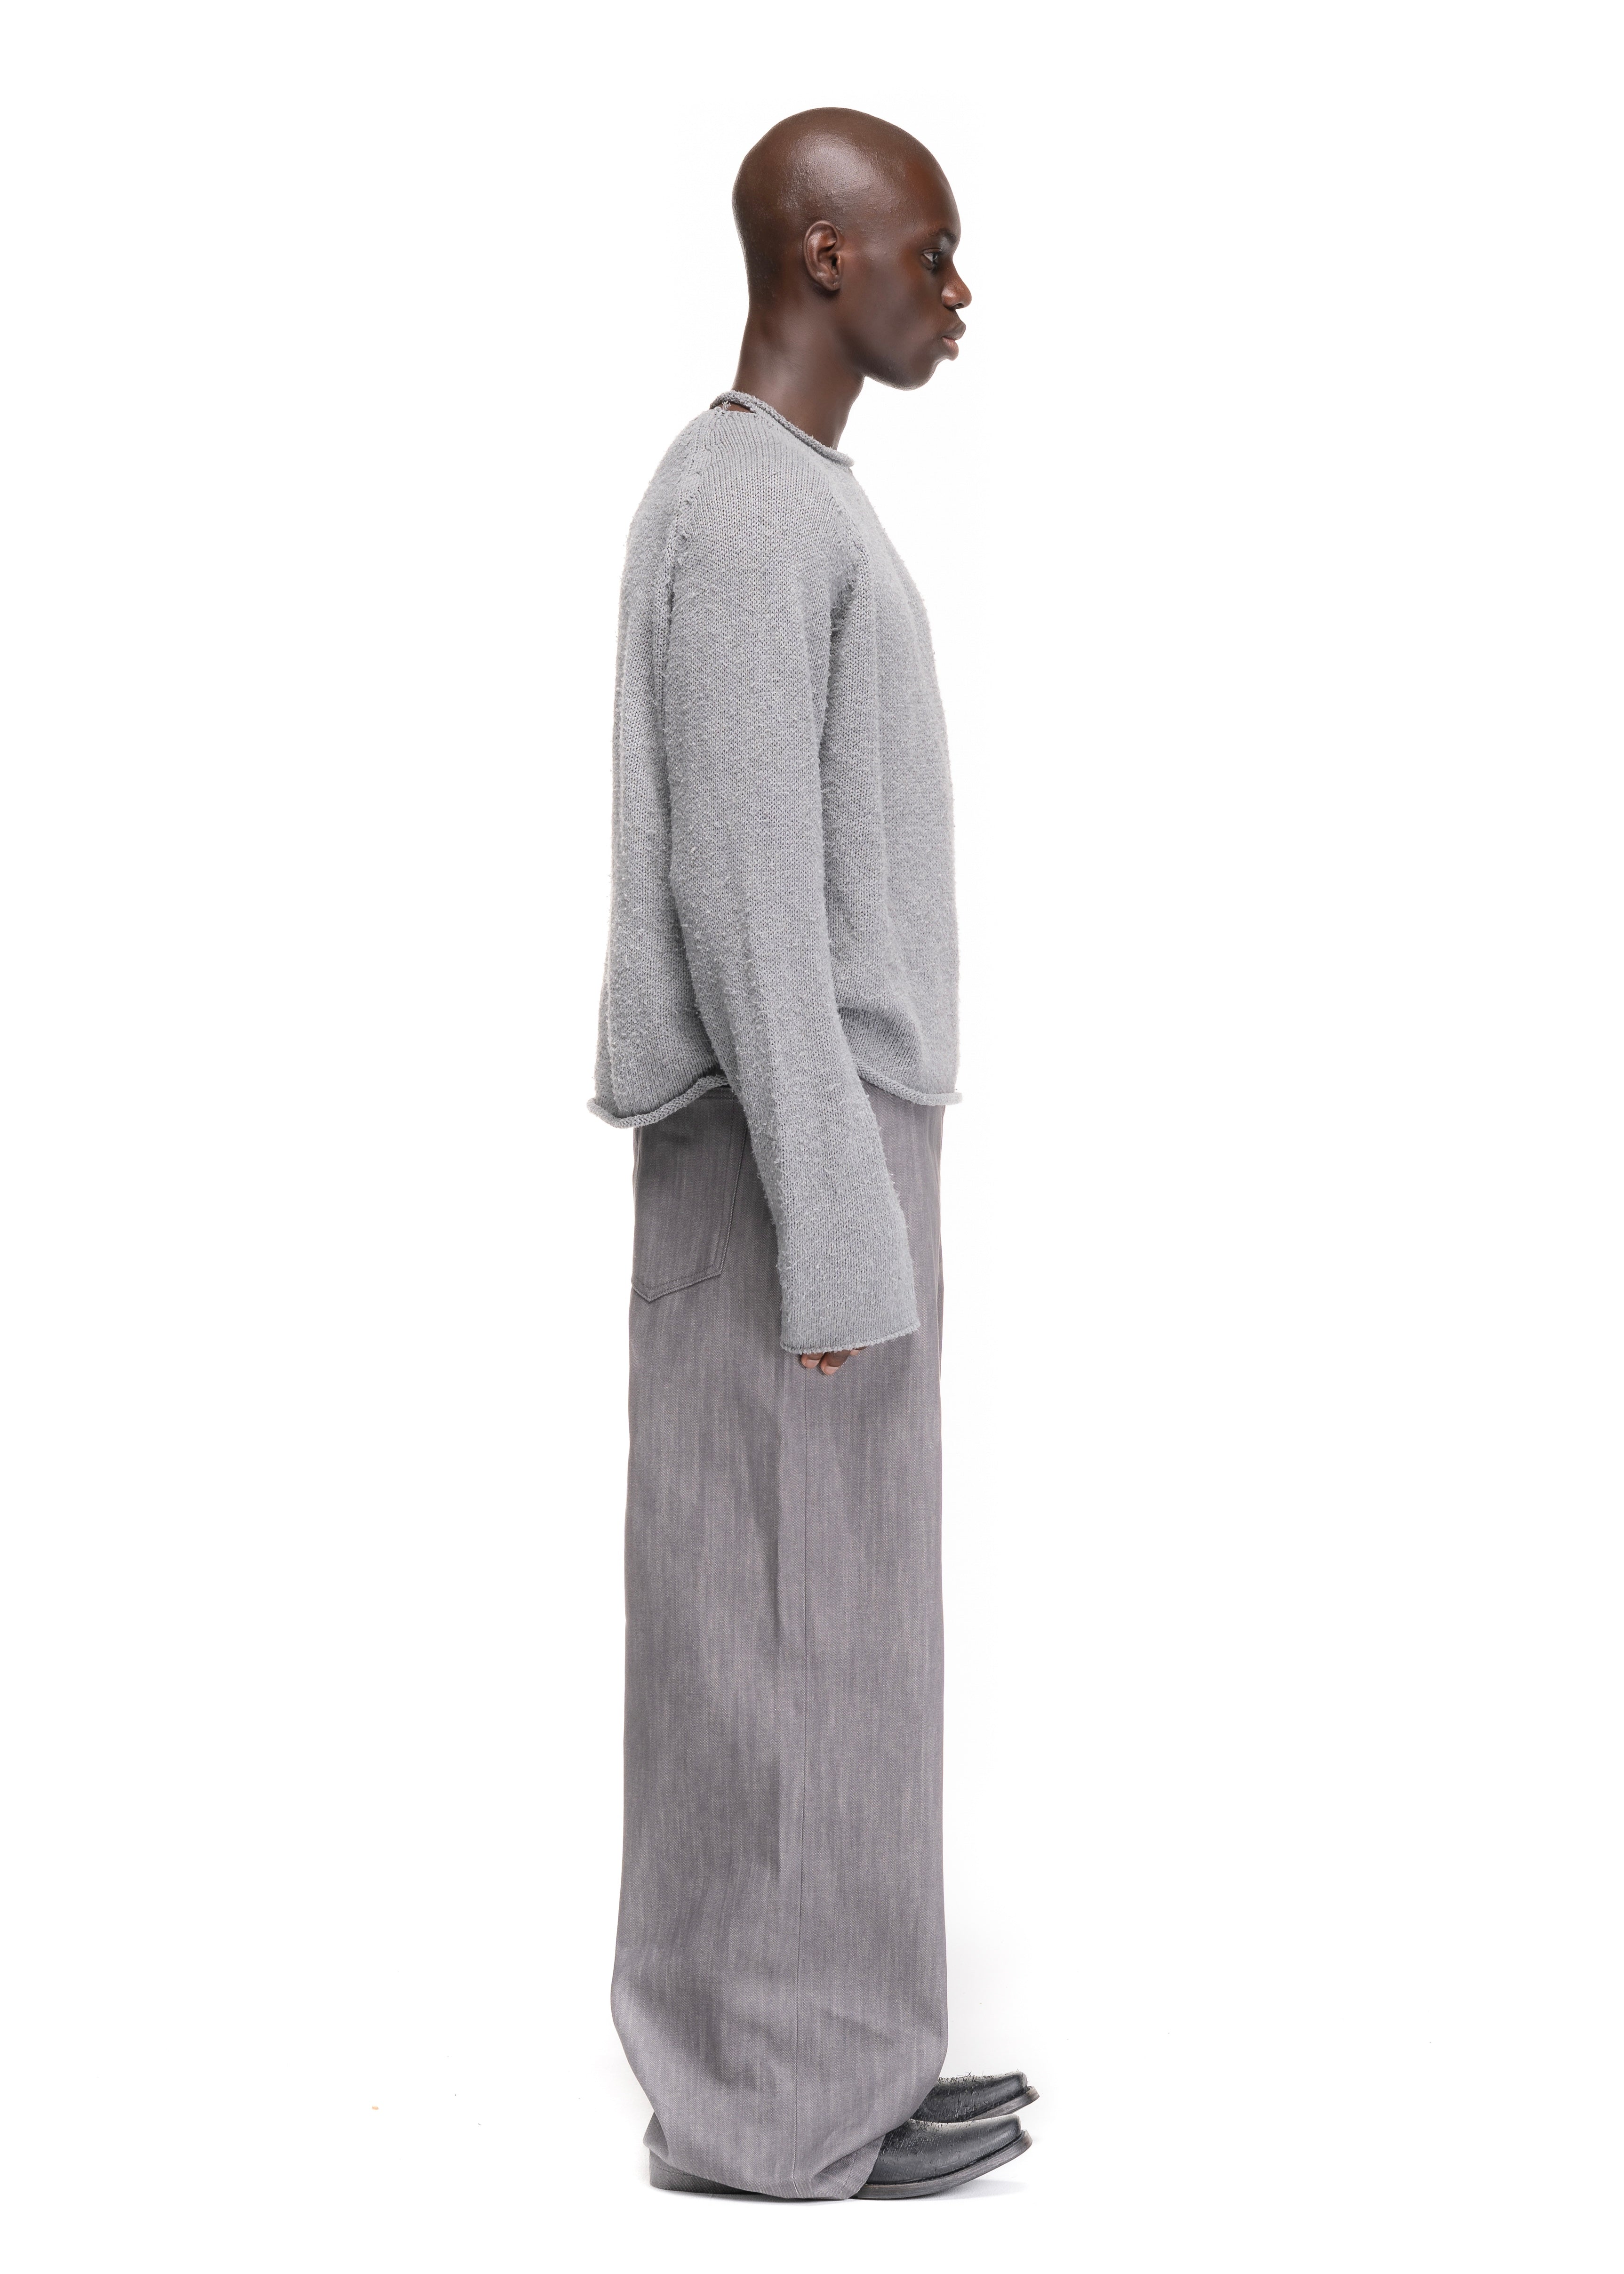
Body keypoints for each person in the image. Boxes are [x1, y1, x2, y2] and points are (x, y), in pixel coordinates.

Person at [590, 107, 1035, 2202]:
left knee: (831, 1619)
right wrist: (840, 1223)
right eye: (929, 251)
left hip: (825, 1137)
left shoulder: (786, 499)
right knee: (764, 1617)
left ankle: (836, 2058)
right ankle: (769, 2108)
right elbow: (748, 899)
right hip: (791, 1144)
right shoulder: (747, 512)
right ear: (823, 256)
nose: (957, 292)